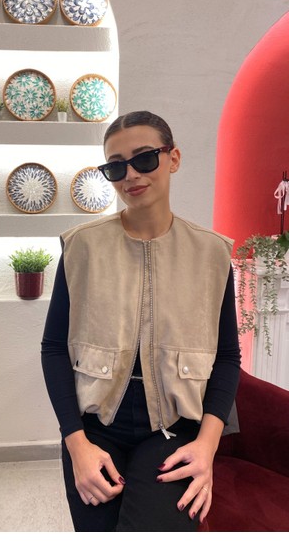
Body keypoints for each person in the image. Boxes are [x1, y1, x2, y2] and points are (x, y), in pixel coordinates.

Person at [41, 110, 241, 532]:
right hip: (95, 426)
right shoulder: (81, 247)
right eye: (115, 166)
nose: (130, 174)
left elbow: (226, 356)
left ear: (173, 158)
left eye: (144, 158)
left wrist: (207, 447)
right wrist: (75, 444)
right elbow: (54, 347)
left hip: (175, 426)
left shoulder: (211, 253)